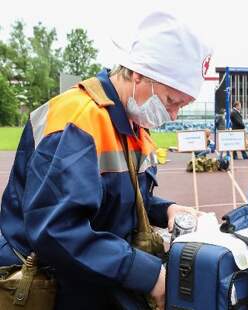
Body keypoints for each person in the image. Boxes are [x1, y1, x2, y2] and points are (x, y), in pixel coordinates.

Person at [0, 12, 208, 309]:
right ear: (140, 75)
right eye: (172, 101)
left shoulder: (131, 124)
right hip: (51, 289)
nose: (173, 115)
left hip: (92, 279)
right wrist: (148, 275)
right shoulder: (79, 119)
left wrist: (166, 209)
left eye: (182, 106)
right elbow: (57, 229)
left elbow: (116, 201)